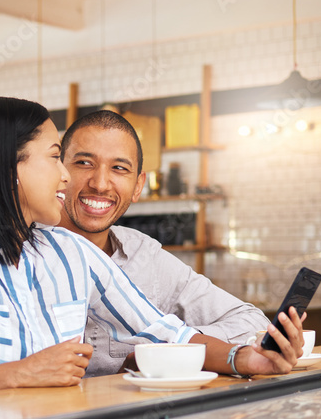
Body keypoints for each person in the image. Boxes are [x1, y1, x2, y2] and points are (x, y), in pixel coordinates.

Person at [0, 96, 304, 405]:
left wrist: (246, 359)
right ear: (6, 169)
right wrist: (18, 374)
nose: (71, 178)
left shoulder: (70, 251)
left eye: (118, 169)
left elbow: (165, 332)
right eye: (60, 158)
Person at [58, 110, 272, 376]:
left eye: (119, 168)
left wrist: (164, 352)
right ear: (58, 171)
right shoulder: (20, 251)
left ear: (138, 186)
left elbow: (251, 323)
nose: (100, 184)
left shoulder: (145, 256)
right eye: (84, 163)